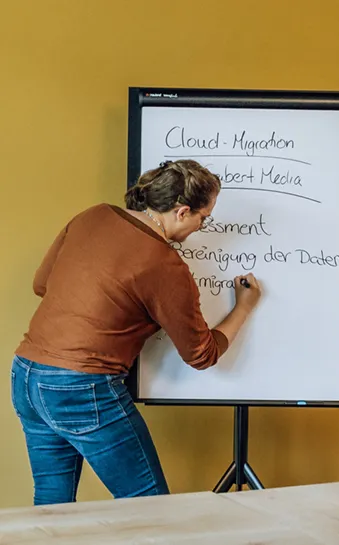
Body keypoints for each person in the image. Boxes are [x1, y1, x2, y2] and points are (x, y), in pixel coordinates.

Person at [11, 159, 262, 505]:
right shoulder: (165, 265)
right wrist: (243, 307)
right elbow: (202, 354)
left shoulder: (93, 215)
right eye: (204, 218)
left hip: (26, 375)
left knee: (53, 504)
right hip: (82, 387)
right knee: (149, 507)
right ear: (182, 211)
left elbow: (43, 285)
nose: (202, 226)